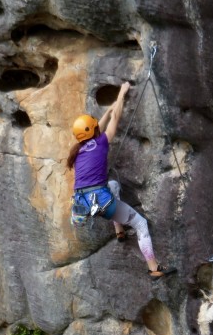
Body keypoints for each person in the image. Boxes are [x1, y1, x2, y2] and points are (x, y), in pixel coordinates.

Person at [67, 82, 175, 280]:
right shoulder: (101, 142)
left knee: (114, 185)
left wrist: (107, 112)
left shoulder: (78, 150)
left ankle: (119, 231)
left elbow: (96, 128)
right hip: (102, 203)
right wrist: (121, 95)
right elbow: (114, 119)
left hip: (84, 203)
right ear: (93, 133)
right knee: (141, 224)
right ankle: (154, 268)